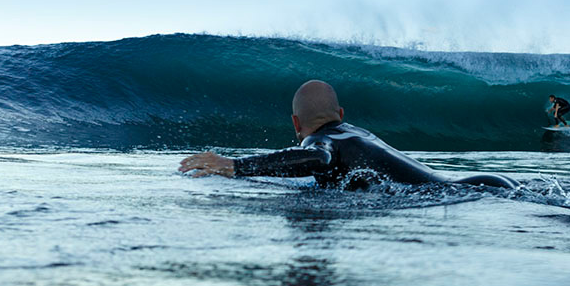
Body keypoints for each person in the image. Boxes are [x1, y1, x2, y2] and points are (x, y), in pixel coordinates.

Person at [179, 80, 518, 189]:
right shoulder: (354, 134)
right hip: (486, 181)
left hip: (470, 192)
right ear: (341, 114)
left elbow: (317, 157)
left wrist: (237, 166)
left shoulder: (322, 142)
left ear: (296, 125)